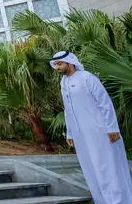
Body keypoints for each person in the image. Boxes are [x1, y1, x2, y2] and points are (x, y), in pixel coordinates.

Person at [51, 51, 132, 203]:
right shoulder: (64, 83)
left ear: (70, 62)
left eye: (60, 64)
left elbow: (105, 103)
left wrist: (112, 128)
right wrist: (70, 133)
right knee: (91, 170)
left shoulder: (87, 78)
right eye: (55, 64)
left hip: (101, 132)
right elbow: (68, 110)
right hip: (81, 135)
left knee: (108, 168)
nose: (57, 67)